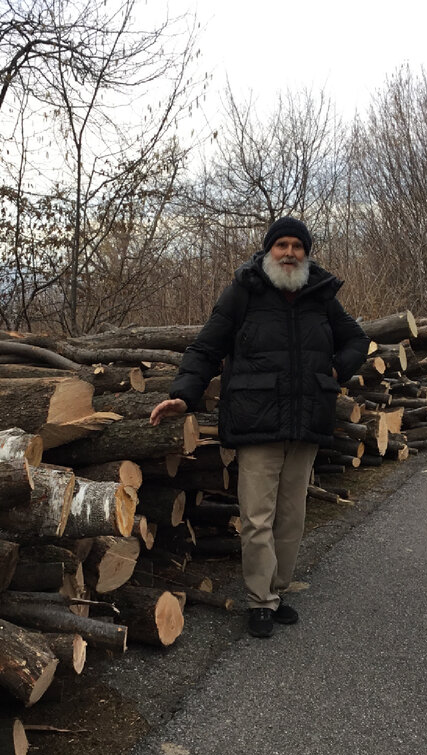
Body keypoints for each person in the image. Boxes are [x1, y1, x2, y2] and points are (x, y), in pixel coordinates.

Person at [150, 216, 369, 638]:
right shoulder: (244, 292)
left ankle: (278, 590)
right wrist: (185, 394)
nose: (289, 253)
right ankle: (260, 601)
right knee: (256, 516)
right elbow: (207, 347)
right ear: (268, 250)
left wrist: (338, 370)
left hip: (305, 421)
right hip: (256, 419)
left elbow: (355, 340)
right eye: (281, 245)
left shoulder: (320, 294)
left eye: (297, 246)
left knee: (292, 515)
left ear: (306, 252)